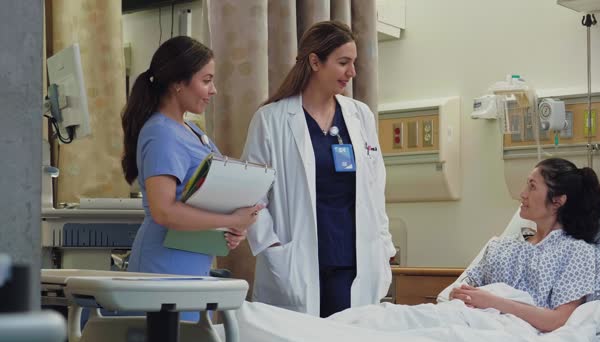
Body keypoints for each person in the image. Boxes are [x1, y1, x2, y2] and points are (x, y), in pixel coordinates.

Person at [242, 21, 395, 318]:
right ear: (314, 61)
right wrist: (271, 246)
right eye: (343, 63)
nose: (352, 72)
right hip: (296, 261)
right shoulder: (271, 119)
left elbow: (376, 189)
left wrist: (385, 248)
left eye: (354, 63)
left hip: (355, 260)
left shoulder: (359, 116)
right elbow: (251, 196)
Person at [121, 36, 262, 281]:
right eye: (206, 80)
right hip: (163, 267)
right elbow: (164, 211)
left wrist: (229, 228)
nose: (214, 90)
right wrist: (231, 219)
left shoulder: (191, 130)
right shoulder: (161, 133)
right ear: (178, 82)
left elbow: (200, 199)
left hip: (192, 262)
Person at [448, 158, 600, 332]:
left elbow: (559, 320)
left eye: (532, 186)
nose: (523, 194)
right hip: (466, 322)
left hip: (510, 335)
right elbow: (465, 289)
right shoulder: (502, 246)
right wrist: (458, 294)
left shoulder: (576, 252)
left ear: (558, 201)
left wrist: (493, 302)